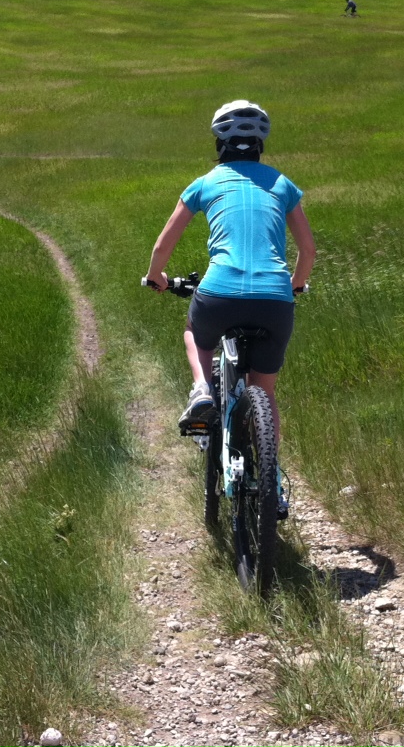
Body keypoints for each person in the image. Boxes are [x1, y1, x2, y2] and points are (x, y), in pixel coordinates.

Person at [144, 100, 316, 515]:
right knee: (265, 390)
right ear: (260, 143)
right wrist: (293, 286)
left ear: (219, 142)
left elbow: (163, 244)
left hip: (218, 291)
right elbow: (308, 251)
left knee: (194, 332)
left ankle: (203, 389)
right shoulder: (281, 183)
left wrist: (157, 277)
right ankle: (271, 484)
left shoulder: (205, 183)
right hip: (275, 297)